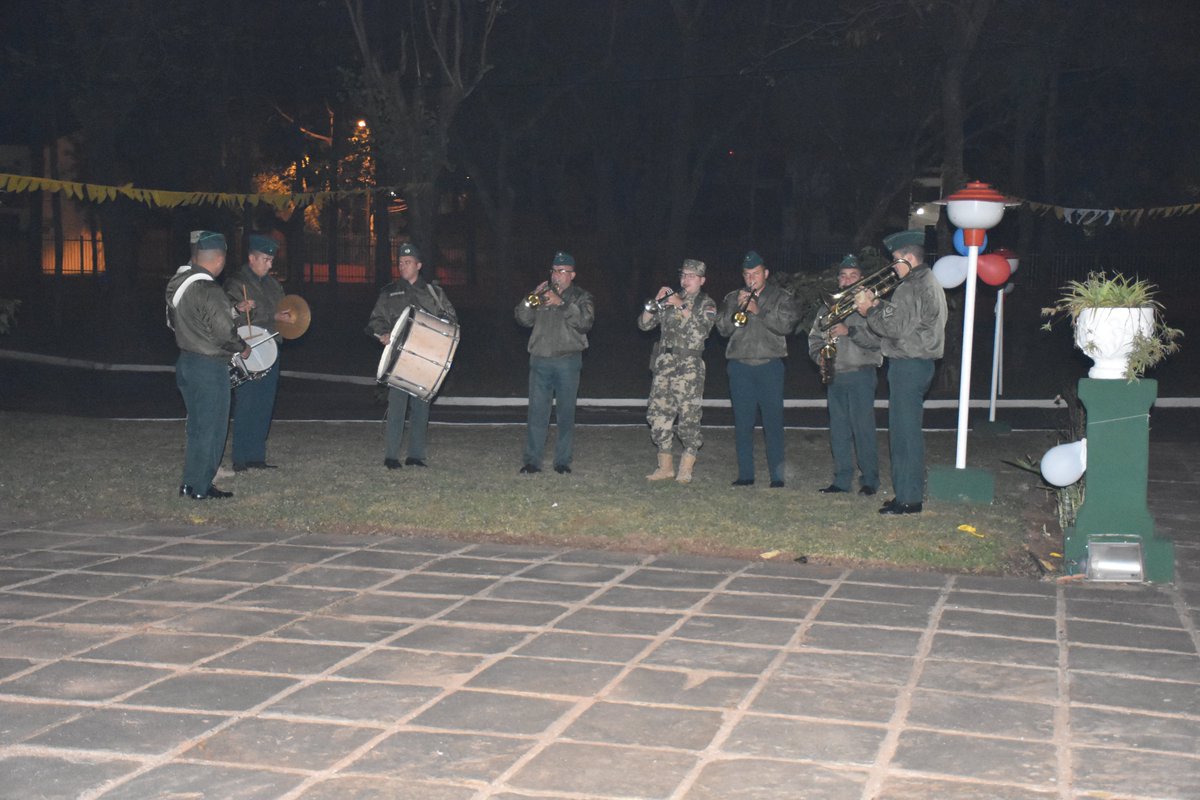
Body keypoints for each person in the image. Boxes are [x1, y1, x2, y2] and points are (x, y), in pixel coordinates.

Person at [853, 229, 948, 514]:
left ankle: (908, 499)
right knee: (907, 432)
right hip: (919, 364)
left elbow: (894, 328)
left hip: (908, 365)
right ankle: (908, 493)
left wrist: (868, 311)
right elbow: (905, 318)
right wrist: (881, 305)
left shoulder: (910, 286)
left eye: (895, 260)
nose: (892, 267)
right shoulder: (928, 280)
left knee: (904, 435)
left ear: (908, 258)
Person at [165, 231, 249, 500]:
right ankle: (201, 487)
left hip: (187, 361)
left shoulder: (180, 284)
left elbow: (183, 320)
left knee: (197, 428)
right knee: (212, 429)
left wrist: (231, 310)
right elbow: (223, 332)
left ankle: (190, 483)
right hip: (209, 367)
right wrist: (242, 346)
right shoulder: (210, 289)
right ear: (220, 259)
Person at [366, 242, 457, 469]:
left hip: (426, 359)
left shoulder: (434, 293)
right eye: (400, 263)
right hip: (399, 359)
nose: (402, 266)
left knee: (420, 408)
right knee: (396, 406)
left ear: (419, 265)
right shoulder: (389, 292)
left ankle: (416, 456)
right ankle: (391, 456)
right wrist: (383, 334)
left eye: (408, 262)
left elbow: (451, 321)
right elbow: (374, 320)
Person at [715, 250, 800, 487]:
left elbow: (786, 326)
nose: (751, 278)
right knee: (743, 423)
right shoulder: (733, 296)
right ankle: (746, 475)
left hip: (769, 365)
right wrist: (736, 310)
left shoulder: (781, 296)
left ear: (766, 273)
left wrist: (757, 310)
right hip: (740, 365)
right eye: (747, 274)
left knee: (773, 422)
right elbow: (722, 329)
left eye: (756, 273)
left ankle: (777, 476)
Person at [807, 255, 882, 496]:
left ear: (862, 279)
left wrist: (849, 331)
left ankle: (869, 479)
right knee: (838, 430)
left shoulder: (872, 306)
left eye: (853, 276)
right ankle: (841, 480)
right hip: (835, 374)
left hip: (861, 373)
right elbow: (814, 339)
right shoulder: (827, 307)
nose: (847, 280)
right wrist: (820, 356)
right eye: (843, 276)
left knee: (863, 429)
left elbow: (880, 339)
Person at [638, 258, 718, 483]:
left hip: (689, 367)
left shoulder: (706, 303)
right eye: (683, 275)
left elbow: (702, 331)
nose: (685, 279)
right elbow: (644, 325)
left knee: (689, 418)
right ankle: (665, 467)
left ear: (702, 280)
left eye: (691, 276)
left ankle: (686, 466)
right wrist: (655, 303)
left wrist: (681, 305)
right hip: (665, 365)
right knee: (658, 415)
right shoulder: (669, 301)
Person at [515, 251, 595, 475]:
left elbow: (585, 323)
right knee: (537, 412)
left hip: (567, 361)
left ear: (572, 274)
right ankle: (532, 461)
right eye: (554, 271)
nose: (557, 276)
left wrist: (561, 303)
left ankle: (562, 461)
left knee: (565, 413)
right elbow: (522, 319)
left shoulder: (581, 297)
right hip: (540, 359)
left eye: (562, 272)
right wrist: (531, 297)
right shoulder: (542, 294)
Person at [224, 233, 293, 472]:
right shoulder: (237, 283)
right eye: (266, 259)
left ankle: (256, 456)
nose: (270, 264)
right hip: (247, 351)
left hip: (270, 349)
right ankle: (240, 457)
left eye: (272, 260)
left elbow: (284, 310)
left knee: (265, 403)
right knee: (247, 402)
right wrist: (271, 316)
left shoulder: (274, 285)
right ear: (252, 258)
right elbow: (233, 315)